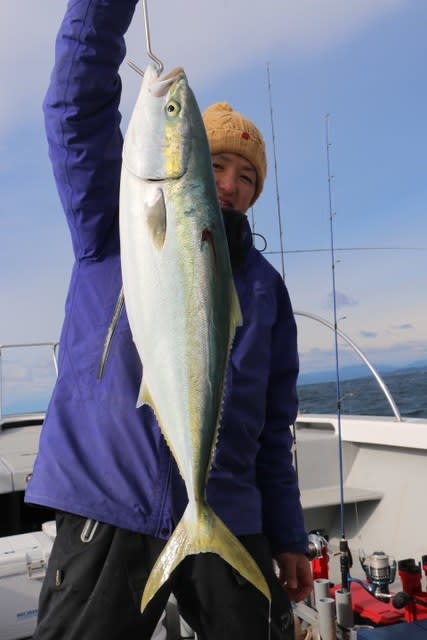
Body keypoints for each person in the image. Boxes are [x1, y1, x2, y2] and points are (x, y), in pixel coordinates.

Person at [25, 0, 313, 638]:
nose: (232, 186)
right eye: (215, 165)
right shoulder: (112, 223)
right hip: (111, 498)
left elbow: (273, 425)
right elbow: (74, 108)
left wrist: (288, 533)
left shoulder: (265, 291)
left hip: (229, 513)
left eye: (247, 177)